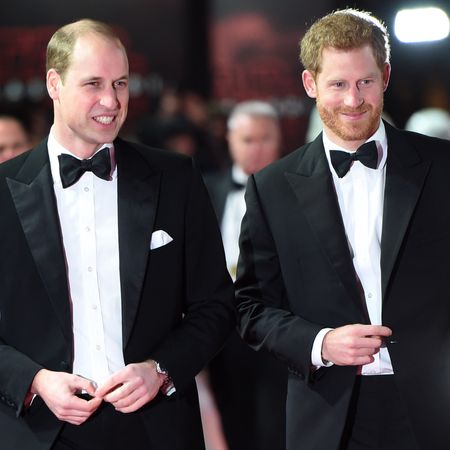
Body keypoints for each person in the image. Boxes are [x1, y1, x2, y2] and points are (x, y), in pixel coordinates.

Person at [0, 19, 235, 450]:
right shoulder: (3, 191)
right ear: (54, 83)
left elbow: (216, 305)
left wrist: (160, 370)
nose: (111, 101)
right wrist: (34, 380)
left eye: (121, 83)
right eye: (93, 84)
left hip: (155, 428)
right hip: (38, 431)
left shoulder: (175, 178)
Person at [235, 9, 450, 450]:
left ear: (386, 76)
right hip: (327, 416)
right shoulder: (271, 188)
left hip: (435, 408)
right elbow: (250, 307)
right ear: (310, 84)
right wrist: (320, 343)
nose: (353, 100)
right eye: (337, 84)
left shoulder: (443, 167)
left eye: (365, 82)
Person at [204, 101, 287, 450]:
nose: (256, 148)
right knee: (233, 420)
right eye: (248, 139)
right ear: (230, 139)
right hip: (224, 330)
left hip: (280, 326)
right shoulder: (206, 188)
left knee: (277, 424)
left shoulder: (296, 190)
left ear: (279, 139)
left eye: (265, 138)